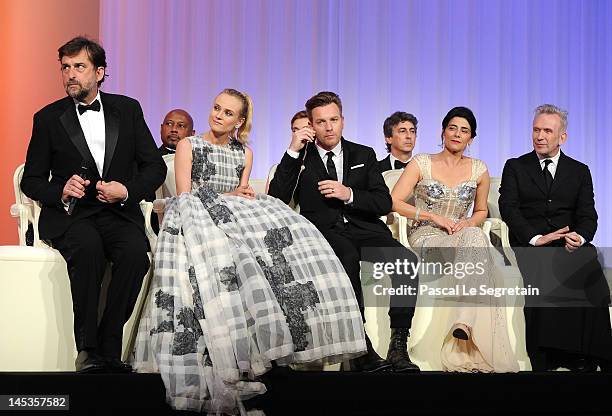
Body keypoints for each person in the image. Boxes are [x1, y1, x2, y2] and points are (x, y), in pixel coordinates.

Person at [132, 89, 366, 413]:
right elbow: (185, 196)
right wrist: (231, 193)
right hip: (197, 217)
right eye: (216, 108)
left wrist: (241, 195)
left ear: (240, 121)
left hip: (233, 219)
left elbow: (244, 192)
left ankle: (269, 348)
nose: (218, 116)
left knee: (273, 255)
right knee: (225, 261)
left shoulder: (245, 153)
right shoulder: (189, 145)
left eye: (228, 113)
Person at [20, 36, 166, 374]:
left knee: (134, 256)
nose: (71, 74)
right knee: (87, 249)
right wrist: (61, 189)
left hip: (118, 212)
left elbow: (154, 167)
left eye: (79, 67)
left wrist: (125, 190)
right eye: (65, 68)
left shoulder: (127, 109)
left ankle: (109, 347)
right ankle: (87, 351)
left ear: (99, 72)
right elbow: (32, 180)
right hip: (73, 216)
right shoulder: (48, 118)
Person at [268, 91, 420, 373]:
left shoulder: (363, 154)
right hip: (324, 234)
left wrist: (348, 193)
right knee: (346, 258)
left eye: (334, 119)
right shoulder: (300, 158)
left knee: (407, 262)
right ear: (311, 125)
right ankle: (360, 347)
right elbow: (276, 198)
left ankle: (398, 345)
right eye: (321, 121)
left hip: (365, 229)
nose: (328, 127)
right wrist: (292, 151)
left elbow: (383, 202)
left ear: (343, 121)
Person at [390, 106, 519, 372]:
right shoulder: (421, 163)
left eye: (465, 131)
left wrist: (468, 223)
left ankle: (463, 324)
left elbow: (481, 210)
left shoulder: (478, 170)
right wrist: (431, 217)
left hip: (462, 237)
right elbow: (392, 201)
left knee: (474, 235)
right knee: (478, 244)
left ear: (471, 138)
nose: (457, 134)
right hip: (426, 236)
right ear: (443, 131)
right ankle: (465, 323)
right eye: (453, 128)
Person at [499, 104, 612, 372]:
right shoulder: (516, 166)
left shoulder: (579, 170)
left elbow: (588, 215)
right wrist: (536, 237)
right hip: (533, 243)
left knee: (588, 263)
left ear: (562, 137)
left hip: (568, 242)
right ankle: (549, 355)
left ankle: (590, 355)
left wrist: (581, 237)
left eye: (547, 131)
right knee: (545, 263)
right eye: (536, 130)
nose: (540, 136)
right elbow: (509, 209)